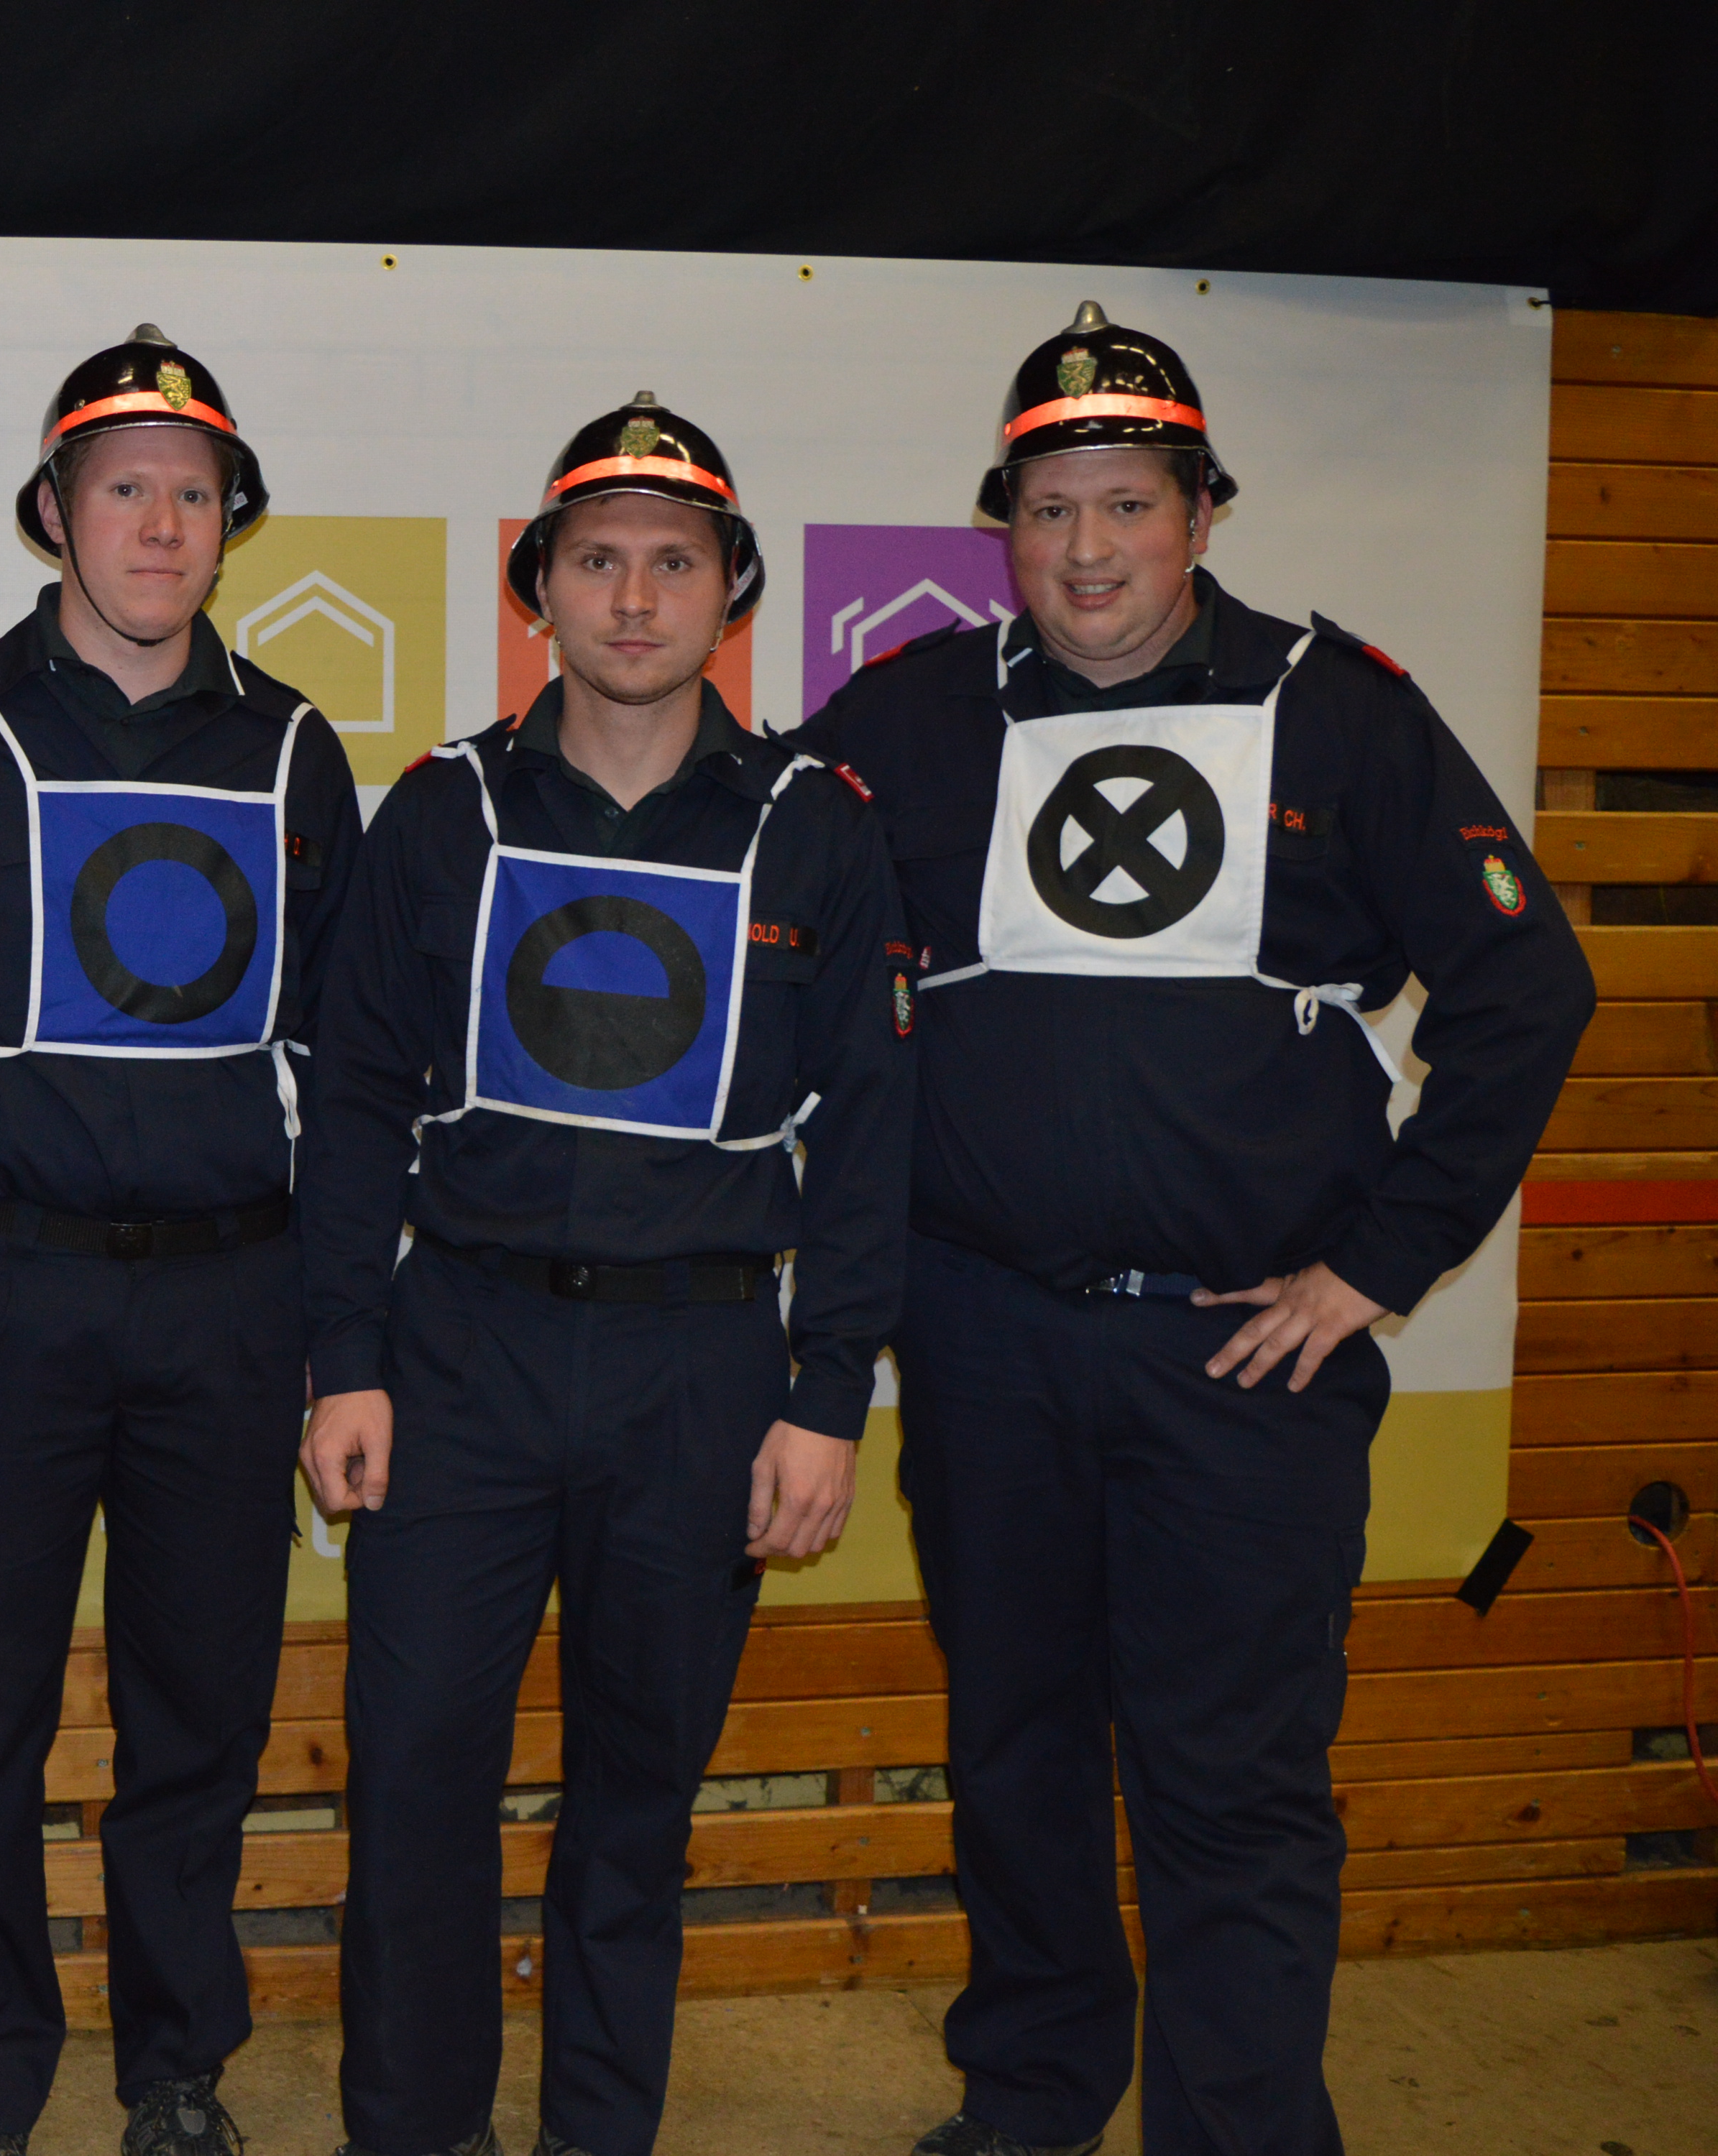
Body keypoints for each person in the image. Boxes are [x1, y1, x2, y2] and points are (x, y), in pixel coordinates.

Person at [789, 305, 1597, 2156]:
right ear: (1004, 525)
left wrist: (1381, 1262)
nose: (1088, 550)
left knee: (1231, 1784)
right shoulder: (905, 718)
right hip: (987, 1342)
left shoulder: (1345, 708)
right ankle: (1032, 2103)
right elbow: (759, 917)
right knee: (1016, 1757)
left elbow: (1526, 987)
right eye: (1050, 508)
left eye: (1130, 504)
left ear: (1203, 513)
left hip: (1246, 1360)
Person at [298, 395, 913, 2156]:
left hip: (703, 1374)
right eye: (597, 561)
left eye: (673, 562)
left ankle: (596, 2134)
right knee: (418, 1784)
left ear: (733, 592)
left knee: (636, 1803)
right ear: (540, 590)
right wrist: (345, 1356)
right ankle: (417, 2130)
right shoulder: (443, 811)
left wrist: (827, 1396)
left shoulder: (815, 824)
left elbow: (872, 1135)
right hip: (460, 1357)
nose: (634, 598)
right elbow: (354, 1101)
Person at [0, 325, 362, 2156]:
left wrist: (332, 1318)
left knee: (196, 1712)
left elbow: (340, 1056)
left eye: (193, 493)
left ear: (230, 523)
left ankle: (176, 2067)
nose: (159, 524)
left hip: (232, 1297)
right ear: (55, 510)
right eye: (124, 486)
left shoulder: (295, 746)